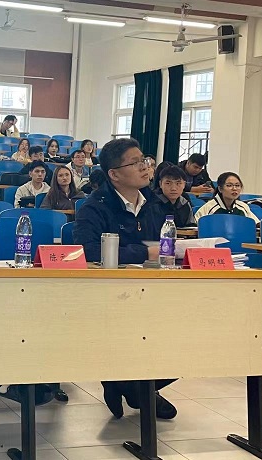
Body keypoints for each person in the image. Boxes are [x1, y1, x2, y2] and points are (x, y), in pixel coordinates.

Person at [72, 138, 176, 421]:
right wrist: (144, 252)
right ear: (114, 174)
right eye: (135, 162)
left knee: (190, 337)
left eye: (144, 160)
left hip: (152, 289)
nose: (144, 167)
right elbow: (87, 251)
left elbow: (163, 247)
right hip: (109, 296)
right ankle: (133, 386)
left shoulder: (154, 204)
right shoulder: (94, 207)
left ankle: (131, 386)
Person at [195, 172, 260, 224]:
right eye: (229, 185)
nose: (234, 188)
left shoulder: (243, 207)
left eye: (237, 185)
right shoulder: (208, 208)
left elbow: (256, 224)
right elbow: (196, 228)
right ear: (220, 189)